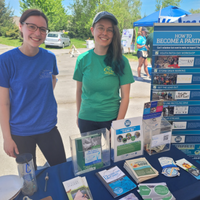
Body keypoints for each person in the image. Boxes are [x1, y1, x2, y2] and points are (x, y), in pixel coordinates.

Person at [0, 9, 66, 170]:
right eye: (32, 27)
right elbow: (4, 103)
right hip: (20, 131)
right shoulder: (6, 61)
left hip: (48, 127)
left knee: (62, 170)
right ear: (20, 27)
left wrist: (43, 98)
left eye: (43, 29)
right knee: (30, 181)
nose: (38, 33)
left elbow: (53, 77)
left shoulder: (49, 57)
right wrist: (7, 138)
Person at [73, 11, 134, 134]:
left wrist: (117, 124)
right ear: (92, 30)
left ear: (114, 34)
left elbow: (125, 97)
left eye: (109, 30)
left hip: (111, 121)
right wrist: (79, 115)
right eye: (100, 28)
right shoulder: (82, 59)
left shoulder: (121, 61)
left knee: (110, 154)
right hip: (86, 119)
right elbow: (79, 91)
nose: (105, 33)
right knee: (90, 153)